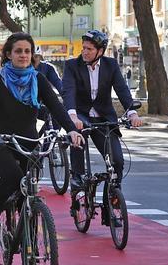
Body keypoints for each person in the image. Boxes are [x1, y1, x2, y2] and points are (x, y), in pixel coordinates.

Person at [0, 32, 83, 228]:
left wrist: (71, 129)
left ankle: (27, 237)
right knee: (15, 177)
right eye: (18, 51)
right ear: (8, 54)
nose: (23, 55)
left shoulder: (38, 79)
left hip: (29, 143)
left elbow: (56, 107)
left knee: (29, 186)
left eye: (27, 51)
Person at [61, 30, 143, 194]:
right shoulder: (72, 66)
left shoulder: (110, 65)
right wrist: (72, 115)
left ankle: (112, 202)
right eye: (83, 48)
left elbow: (122, 90)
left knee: (117, 162)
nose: (84, 51)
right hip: (80, 115)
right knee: (78, 131)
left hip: (104, 118)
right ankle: (77, 176)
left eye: (89, 49)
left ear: (100, 51)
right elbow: (68, 92)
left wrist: (132, 113)